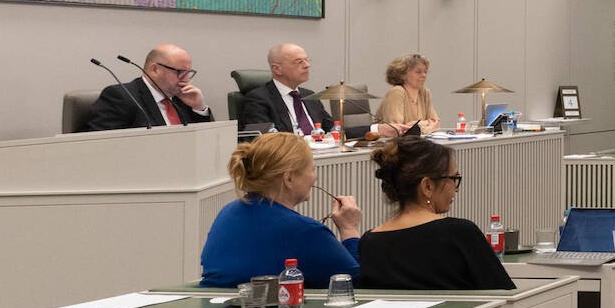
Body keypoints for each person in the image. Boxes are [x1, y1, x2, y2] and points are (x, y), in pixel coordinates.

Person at [200, 132, 361, 287]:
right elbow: (356, 284)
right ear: (289, 178)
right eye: (312, 170)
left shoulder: (226, 213)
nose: (315, 177)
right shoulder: (306, 231)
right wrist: (349, 230)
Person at [358, 135, 514, 289]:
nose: (456, 188)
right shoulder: (459, 233)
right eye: (453, 178)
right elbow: (505, 295)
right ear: (427, 186)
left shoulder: (369, 242)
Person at [87, 43, 215, 130]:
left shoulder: (183, 98)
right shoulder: (120, 97)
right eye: (180, 72)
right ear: (155, 69)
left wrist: (199, 108)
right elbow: (101, 146)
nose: (186, 79)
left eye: (188, 73)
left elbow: (208, 142)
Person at [238, 43, 335, 135]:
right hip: (289, 151)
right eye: (299, 62)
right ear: (277, 69)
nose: (307, 65)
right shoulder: (258, 99)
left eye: (306, 60)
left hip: (324, 149)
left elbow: (332, 128)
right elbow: (264, 141)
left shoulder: (309, 95)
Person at [376, 53, 440, 136]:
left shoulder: (424, 93)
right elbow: (397, 129)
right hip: (392, 145)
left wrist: (416, 125)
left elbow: (436, 123)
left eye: (425, 72)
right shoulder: (396, 92)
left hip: (416, 142)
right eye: (418, 72)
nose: (424, 75)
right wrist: (427, 124)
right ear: (402, 75)